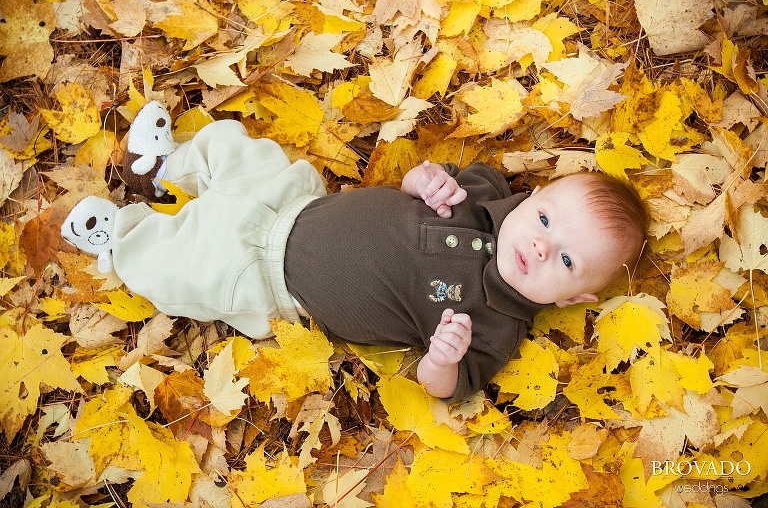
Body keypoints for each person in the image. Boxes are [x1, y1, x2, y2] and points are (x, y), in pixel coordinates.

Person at [62, 102, 647, 402]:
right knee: (245, 152)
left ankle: (122, 236)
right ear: (533, 196)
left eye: (566, 262)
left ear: (580, 296)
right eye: (545, 219)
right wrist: (422, 182)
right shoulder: (484, 191)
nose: (541, 245)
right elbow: (413, 185)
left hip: (269, 277)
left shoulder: (493, 325)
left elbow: (445, 384)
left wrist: (442, 360)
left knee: (187, 271)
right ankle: (168, 165)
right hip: (295, 203)